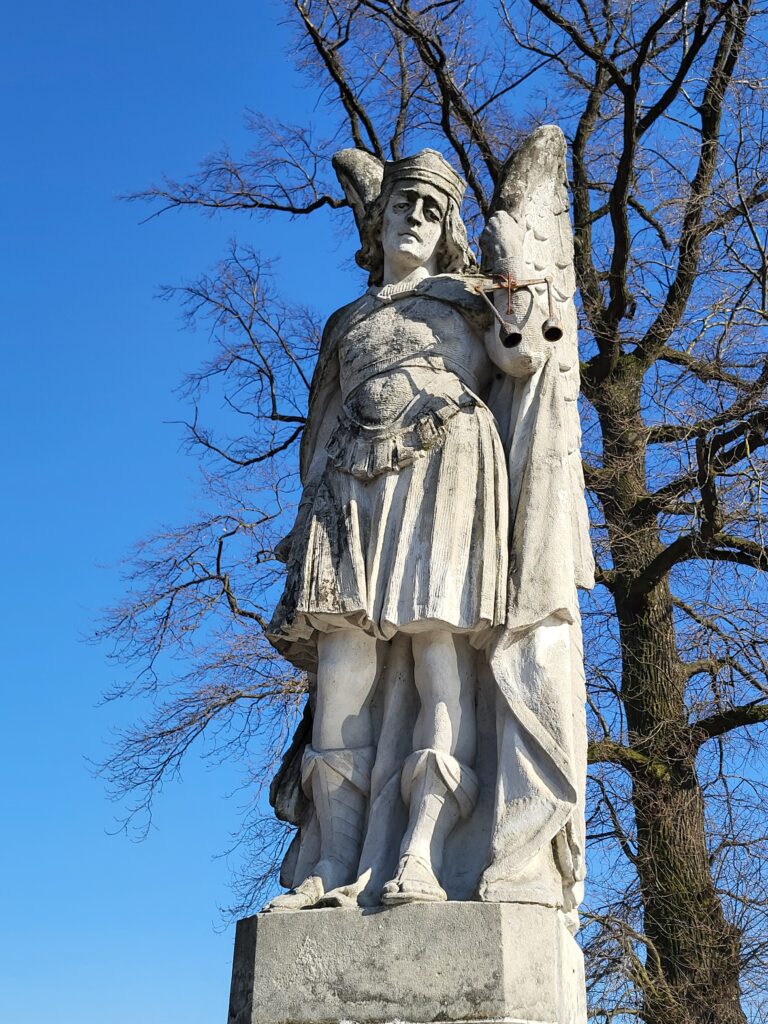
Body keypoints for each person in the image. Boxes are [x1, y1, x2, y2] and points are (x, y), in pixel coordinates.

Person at [265, 144, 593, 918]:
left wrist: (518, 276)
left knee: (438, 652)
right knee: (343, 666)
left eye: (432, 209)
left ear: (448, 229)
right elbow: (320, 426)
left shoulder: (469, 295)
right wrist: (303, 517)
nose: (414, 217)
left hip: (447, 462)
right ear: (375, 222)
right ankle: (334, 858)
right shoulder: (347, 321)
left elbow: (526, 358)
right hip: (347, 484)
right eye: (402, 204)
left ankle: (423, 852)